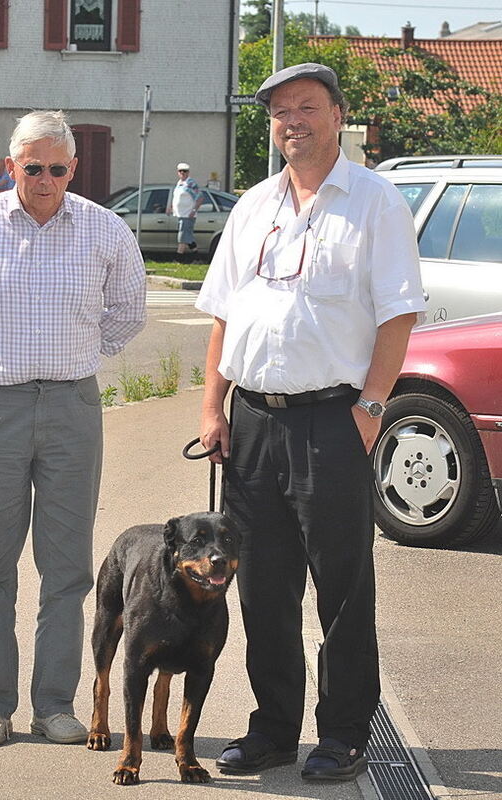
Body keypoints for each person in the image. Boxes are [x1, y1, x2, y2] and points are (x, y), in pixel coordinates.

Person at [195, 63, 425, 782]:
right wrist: (212, 404)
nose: (291, 120)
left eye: (306, 107)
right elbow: (226, 312)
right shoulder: (254, 204)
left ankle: (346, 733)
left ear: (337, 115)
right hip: (253, 421)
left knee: (342, 586)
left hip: (334, 419)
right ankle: (272, 729)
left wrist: (371, 407)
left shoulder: (374, 201)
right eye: (279, 112)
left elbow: (399, 312)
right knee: (261, 585)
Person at [0, 110, 146, 749]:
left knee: (67, 569)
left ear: (75, 169)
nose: (44, 179)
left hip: (72, 409)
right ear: (9, 166)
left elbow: (128, 312)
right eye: (31, 167)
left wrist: (81, 357)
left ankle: (55, 706)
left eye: (57, 168)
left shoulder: (105, 230)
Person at [170, 162, 203, 256]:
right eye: (180, 171)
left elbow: (200, 197)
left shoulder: (190, 183)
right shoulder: (180, 183)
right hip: (180, 214)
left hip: (187, 214)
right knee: (188, 237)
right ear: (178, 172)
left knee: (182, 236)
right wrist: (172, 208)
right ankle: (197, 256)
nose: (182, 173)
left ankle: (179, 257)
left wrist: (193, 211)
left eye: (185, 171)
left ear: (188, 172)